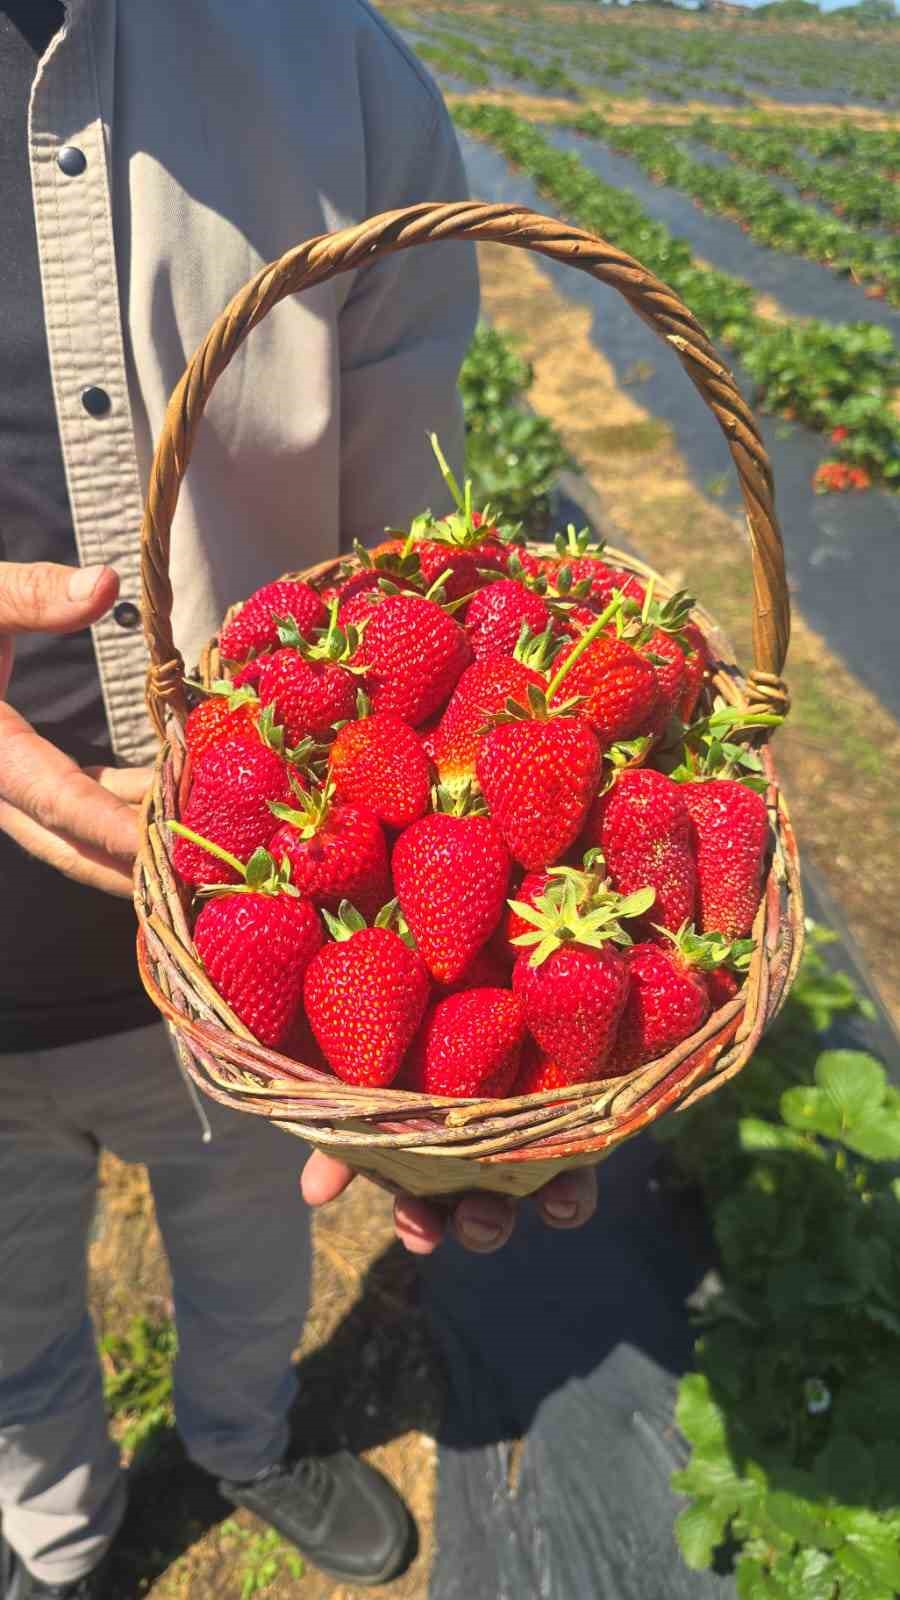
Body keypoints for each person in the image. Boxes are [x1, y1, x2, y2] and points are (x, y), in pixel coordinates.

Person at [0, 2, 600, 1595]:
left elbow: (426, 602)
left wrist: (510, 1007)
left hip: (260, 950)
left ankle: (242, 1445)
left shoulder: (328, 64)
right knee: (5, 1327)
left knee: (253, 1252)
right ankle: (52, 1540)